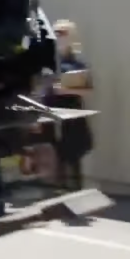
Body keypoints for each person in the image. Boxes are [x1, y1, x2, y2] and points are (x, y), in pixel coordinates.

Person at [43, 19, 94, 190]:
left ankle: (75, 191)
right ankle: (58, 191)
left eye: (62, 32)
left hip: (72, 115)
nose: (58, 36)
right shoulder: (47, 61)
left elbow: (87, 89)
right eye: (56, 32)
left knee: (73, 154)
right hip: (50, 115)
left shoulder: (76, 63)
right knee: (54, 155)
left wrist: (64, 89)